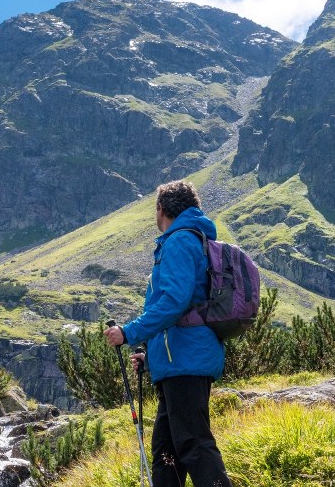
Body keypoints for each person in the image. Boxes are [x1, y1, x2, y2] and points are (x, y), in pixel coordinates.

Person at [104, 180, 232, 487]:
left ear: (160, 209)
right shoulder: (191, 239)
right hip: (181, 359)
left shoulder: (179, 240)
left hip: (186, 361)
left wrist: (129, 332)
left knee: (193, 443)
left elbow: (175, 302)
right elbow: (182, 308)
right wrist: (149, 355)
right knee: (166, 454)